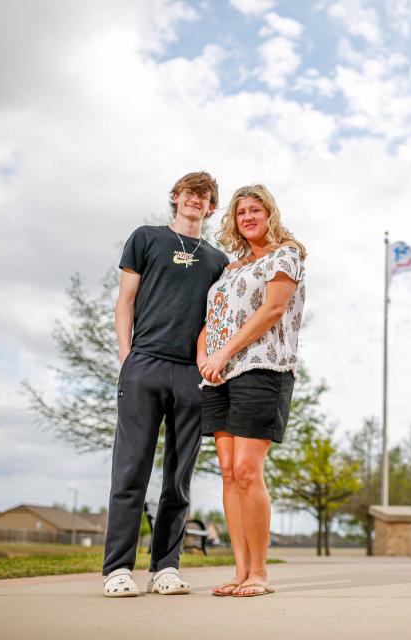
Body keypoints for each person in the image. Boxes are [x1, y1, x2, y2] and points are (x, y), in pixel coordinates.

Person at [102, 172, 229, 597]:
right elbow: (126, 301)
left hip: (191, 374)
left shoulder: (217, 260)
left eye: (204, 195)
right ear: (176, 198)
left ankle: (165, 568)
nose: (195, 199)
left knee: (178, 476)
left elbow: (217, 322)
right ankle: (118, 568)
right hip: (144, 365)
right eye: (189, 192)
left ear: (211, 207)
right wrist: (127, 358)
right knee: (130, 469)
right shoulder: (146, 238)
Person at [197, 184, 306, 597]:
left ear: (269, 214)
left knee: (246, 470)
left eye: (255, 209)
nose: (247, 217)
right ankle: (240, 571)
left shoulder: (287, 253)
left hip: (262, 368)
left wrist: (223, 353)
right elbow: (212, 320)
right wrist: (205, 357)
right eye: (241, 211)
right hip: (218, 374)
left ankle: (260, 573)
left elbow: (273, 309)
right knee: (227, 473)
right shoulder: (229, 270)